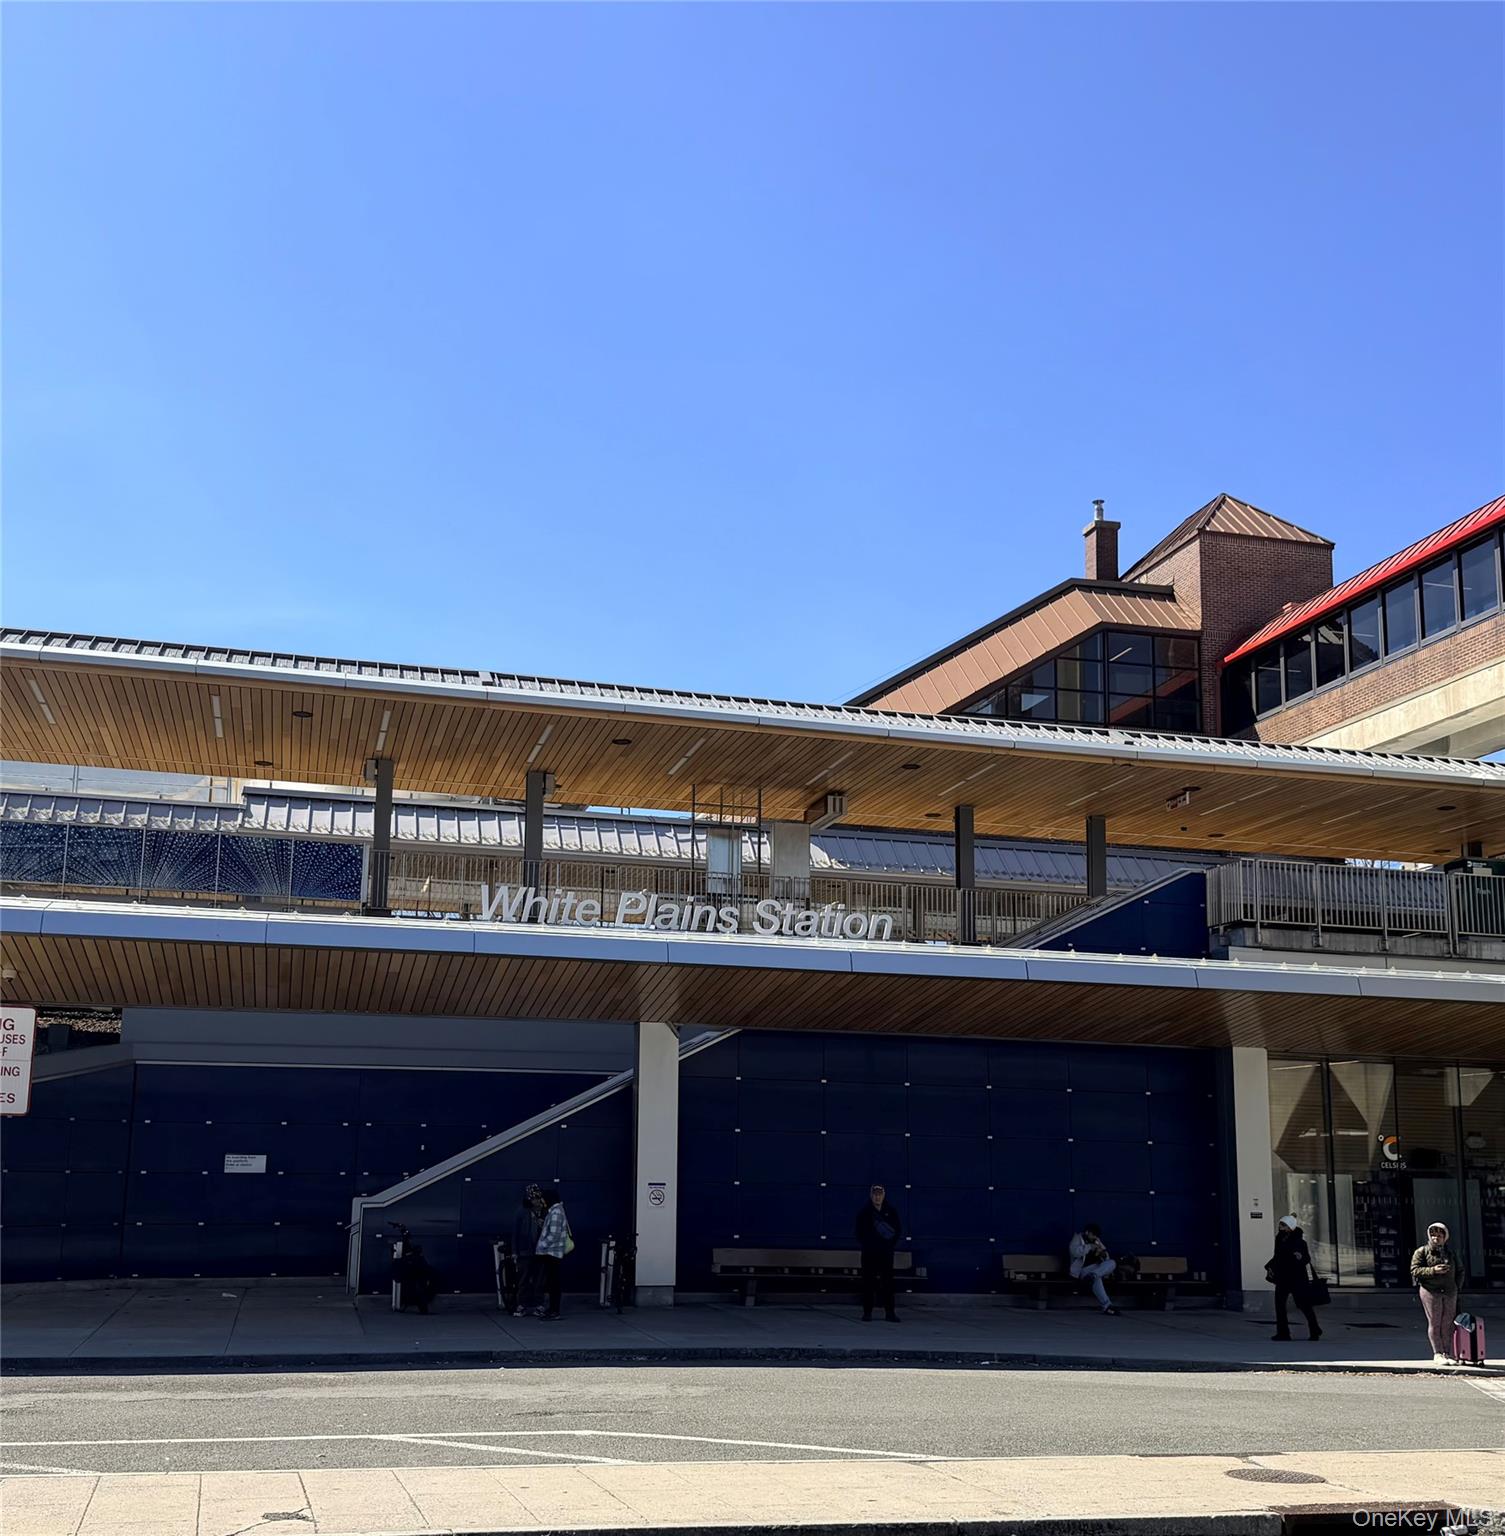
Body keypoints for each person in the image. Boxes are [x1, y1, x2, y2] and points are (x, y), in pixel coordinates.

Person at [1411, 1221, 1463, 1364]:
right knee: (1435, 1322)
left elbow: (1460, 1270)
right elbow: (1415, 1270)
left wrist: (1457, 1287)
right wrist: (1433, 1270)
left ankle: (1448, 1352)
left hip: (1449, 1291)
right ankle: (1438, 1353)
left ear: (1445, 1237)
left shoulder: (1451, 1253)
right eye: (1433, 1235)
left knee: (1448, 1322)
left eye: (1440, 1235)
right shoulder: (1422, 1251)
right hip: (1430, 1290)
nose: (1436, 1238)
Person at [1268, 1214, 1323, 1342]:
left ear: (1290, 1226)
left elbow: (1306, 1259)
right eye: (1280, 1224)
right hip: (1283, 1277)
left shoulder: (1299, 1241)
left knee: (1304, 1305)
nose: (1280, 1227)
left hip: (1297, 1277)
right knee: (1280, 1305)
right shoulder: (1279, 1239)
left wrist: (1300, 1257)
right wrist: (1271, 1267)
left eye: (1283, 1225)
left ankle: (1314, 1329)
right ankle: (1283, 1333)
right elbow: (1278, 1256)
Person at [855, 1183, 902, 1323]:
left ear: (883, 1195)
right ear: (871, 1195)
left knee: (888, 1283)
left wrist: (889, 1245)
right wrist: (868, 1244)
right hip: (869, 1253)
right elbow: (859, 1232)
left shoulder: (891, 1212)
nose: (877, 1197)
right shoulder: (865, 1213)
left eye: (879, 1194)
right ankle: (867, 1312)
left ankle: (890, 1313)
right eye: (875, 1194)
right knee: (868, 1283)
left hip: (885, 1253)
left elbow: (897, 1230)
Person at [533, 1186, 571, 1321]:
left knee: (553, 1283)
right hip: (553, 1252)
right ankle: (552, 1309)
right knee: (552, 1282)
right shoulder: (556, 1211)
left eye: (543, 1198)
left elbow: (553, 1235)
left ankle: (554, 1310)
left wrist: (541, 1246)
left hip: (552, 1253)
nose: (542, 1201)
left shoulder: (555, 1213)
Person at [1068, 1223, 1120, 1315]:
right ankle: (1107, 1306)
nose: (1095, 1237)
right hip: (1084, 1269)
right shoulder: (1077, 1238)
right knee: (1096, 1278)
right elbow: (1074, 1252)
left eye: (1096, 1235)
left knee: (1112, 1263)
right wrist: (1089, 1247)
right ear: (1087, 1232)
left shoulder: (1096, 1240)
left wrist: (1102, 1254)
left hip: (1097, 1269)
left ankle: (1093, 1275)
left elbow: (1106, 1255)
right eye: (1093, 1235)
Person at [510, 1185, 544, 1318]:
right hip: (525, 1250)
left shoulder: (542, 1211)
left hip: (538, 1251)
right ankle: (523, 1304)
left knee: (538, 1279)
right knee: (524, 1279)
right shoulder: (522, 1212)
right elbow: (515, 1233)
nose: (537, 1201)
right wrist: (515, 1251)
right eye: (535, 1198)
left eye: (538, 1198)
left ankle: (537, 1304)